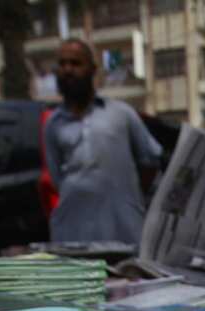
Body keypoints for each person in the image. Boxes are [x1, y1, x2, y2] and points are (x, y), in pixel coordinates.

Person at [43, 39, 164, 246]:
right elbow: (58, 179)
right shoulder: (53, 124)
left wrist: (123, 198)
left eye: (75, 63)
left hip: (123, 231)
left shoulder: (121, 113)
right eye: (62, 64)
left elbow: (150, 161)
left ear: (92, 69)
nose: (67, 70)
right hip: (74, 235)